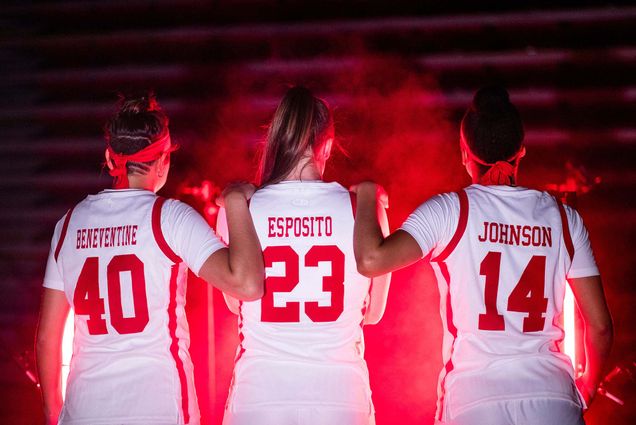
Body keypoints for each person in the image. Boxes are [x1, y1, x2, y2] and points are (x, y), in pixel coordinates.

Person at [353, 86, 613, 425]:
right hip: (553, 400)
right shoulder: (564, 219)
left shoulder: (450, 211)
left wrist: (368, 196)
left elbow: (371, 260)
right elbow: (601, 326)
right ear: (522, 150)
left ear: (464, 152)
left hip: (475, 402)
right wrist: (587, 388)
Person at [35, 93, 264, 425]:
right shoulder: (168, 218)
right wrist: (235, 203)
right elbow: (246, 283)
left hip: (85, 411)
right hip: (159, 407)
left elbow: (47, 337)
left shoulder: (69, 224)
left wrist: (53, 410)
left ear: (110, 159)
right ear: (163, 162)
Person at [217, 86, 391, 425]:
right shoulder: (364, 210)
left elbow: (234, 304)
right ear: (326, 145)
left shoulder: (238, 209)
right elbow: (373, 314)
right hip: (341, 397)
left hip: (260, 397)